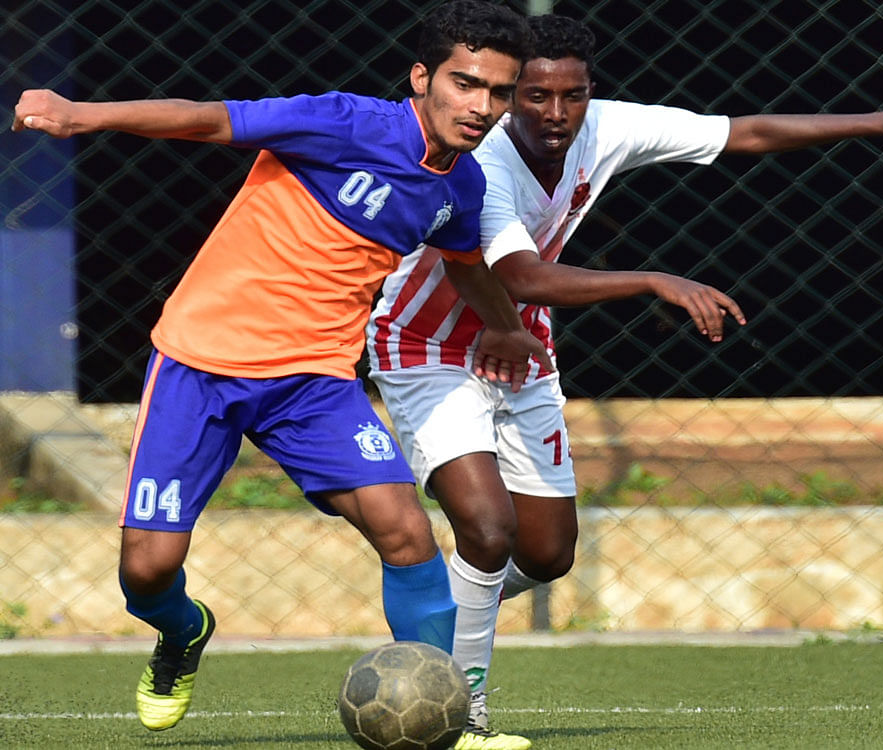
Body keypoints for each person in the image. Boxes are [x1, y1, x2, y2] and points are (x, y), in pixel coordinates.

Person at [367, 12, 883, 749]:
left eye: (573, 96)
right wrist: (653, 278)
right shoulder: (485, 162)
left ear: (590, 93)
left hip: (522, 344)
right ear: (507, 95)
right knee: (487, 529)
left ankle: (437, 617)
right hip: (428, 343)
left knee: (547, 552)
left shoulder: (608, 127)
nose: (555, 114)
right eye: (533, 96)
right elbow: (520, 273)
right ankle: (462, 715)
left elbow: (741, 132)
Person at [11, 0, 548, 734]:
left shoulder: (460, 187)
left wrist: (507, 328)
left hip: (315, 383)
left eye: (498, 92)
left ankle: (449, 723)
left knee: (407, 534)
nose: (481, 106)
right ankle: (181, 633)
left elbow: (465, 266)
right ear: (422, 77)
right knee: (146, 571)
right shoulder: (342, 122)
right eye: (465, 84)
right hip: (201, 366)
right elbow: (203, 119)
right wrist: (81, 115)